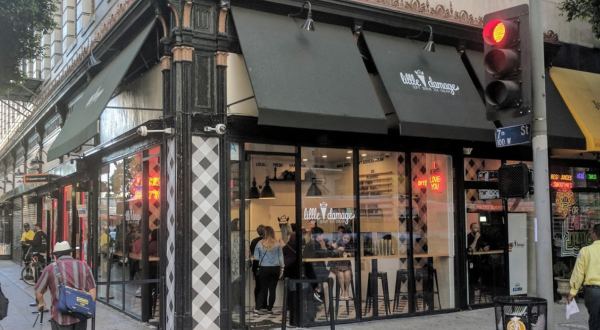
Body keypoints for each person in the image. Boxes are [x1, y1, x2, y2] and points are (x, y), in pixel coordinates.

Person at [34, 241, 96, 330]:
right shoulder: (84, 266)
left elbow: (38, 291)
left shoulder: (50, 268)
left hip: (60, 317)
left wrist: (41, 302)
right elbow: (92, 288)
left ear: (55, 256)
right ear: (70, 253)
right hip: (81, 316)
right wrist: (88, 307)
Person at [568, 224, 600, 330]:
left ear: (594, 234)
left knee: (595, 321)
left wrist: (573, 290)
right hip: (593, 292)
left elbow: (578, 273)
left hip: (593, 292)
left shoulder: (585, 251)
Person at [253, 226, 284, 315]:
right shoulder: (277, 244)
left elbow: (256, 258)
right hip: (275, 268)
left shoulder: (259, 243)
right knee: (272, 290)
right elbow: (280, 257)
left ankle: (257, 309)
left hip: (264, 268)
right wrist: (282, 268)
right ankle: (270, 309)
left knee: (263, 289)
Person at [332, 232, 354, 300]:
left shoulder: (351, 246)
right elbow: (331, 254)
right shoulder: (337, 244)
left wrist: (350, 254)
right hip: (337, 266)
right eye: (345, 238)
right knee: (341, 274)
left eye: (348, 239)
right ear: (342, 238)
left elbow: (355, 253)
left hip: (346, 265)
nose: (346, 240)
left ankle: (347, 291)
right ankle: (342, 291)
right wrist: (336, 250)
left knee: (347, 274)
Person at [249, 224, 266, 310]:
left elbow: (252, 253)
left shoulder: (254, 241)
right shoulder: (267, 241)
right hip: (265, 265)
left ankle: (257, 303)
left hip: (256, 265)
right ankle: (264, 303)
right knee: (265, 285)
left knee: (258, 285)